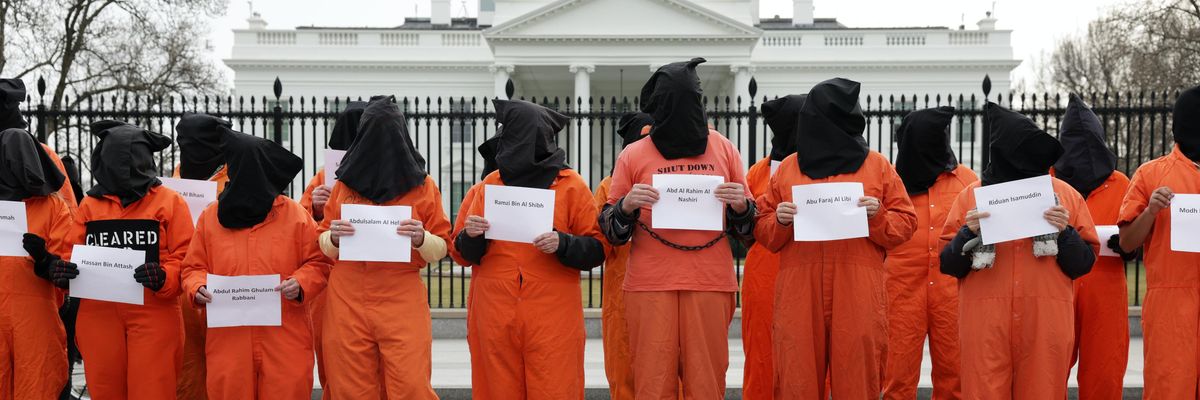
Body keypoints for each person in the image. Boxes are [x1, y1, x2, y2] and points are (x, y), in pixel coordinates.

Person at [599, 58, 754, 399]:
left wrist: (741, 206)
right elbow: (609, 227)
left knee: (707, 381)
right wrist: (626, 207)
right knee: (652, 383)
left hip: (710, 283)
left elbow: (750, 230)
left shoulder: (724, 148)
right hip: (650, 284)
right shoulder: (633, 154)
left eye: (693, 98)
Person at [752, 78, 916, 399]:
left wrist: (878, 215)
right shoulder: (787, 169)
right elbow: (762, 228)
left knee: (857, 379)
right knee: (797, 380)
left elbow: (906, 224)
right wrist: (780, 221)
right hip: (800, 293)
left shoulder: (877, 166)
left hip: (858, 292)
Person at [939, 102, 1098, 399]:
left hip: (1044, 326)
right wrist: (967, 233)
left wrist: (1065, 232)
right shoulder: (969, 198)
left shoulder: (1064, 196)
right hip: (985, 326)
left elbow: (1083, 264)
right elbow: (948, 264)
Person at [455, 98, 606, 399]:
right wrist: (472, 235)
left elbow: (598, 249)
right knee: (496, 389)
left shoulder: (571, 185)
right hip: (494, 311)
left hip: (553, 314)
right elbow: (460, 252)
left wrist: (563, 242)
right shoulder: (489, 184)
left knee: (554, 387)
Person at [181, 128, 331, 399]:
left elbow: (319, 262)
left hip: (285, 338)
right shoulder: (210, 217)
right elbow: (193, 268)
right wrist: (197, 287)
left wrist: (300, 283)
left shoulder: (295, 215)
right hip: (228, 341)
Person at [317, 96, 449, 399]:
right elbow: (322, 239)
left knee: (410, 384)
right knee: (350, 386)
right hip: (347, 296)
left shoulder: (423, 186)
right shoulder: (343, 185)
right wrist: (334, 238)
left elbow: (443, 245)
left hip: (401, 294)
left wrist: (421, 238)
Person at [58, 120, 193, 400]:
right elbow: (70, 252)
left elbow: (188, 259)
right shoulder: (91, 205)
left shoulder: (170, 202)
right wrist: (65, 271)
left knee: (153, 390)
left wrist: (164, 276)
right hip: (99, 316)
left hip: (154, 312)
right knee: (105, 390)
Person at [882, 106, 975, 400]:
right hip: (899, 292)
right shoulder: (890, 182)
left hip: (952, 294)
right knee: (895, 377)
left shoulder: (967, 181)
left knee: (955, 377)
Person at [1049, 94, 1133, 400]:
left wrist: (1127, 247)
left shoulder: (1121, 183)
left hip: (1107, 289)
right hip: (1059, 286)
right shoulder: (1048, 181)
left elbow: (1135, 231)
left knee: (1105, 374)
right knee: (1049, 372)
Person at [1118, 85, 1200, 399]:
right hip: (1169, 309)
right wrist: (1152, 210)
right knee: (1169, 388)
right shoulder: (1151, 174)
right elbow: (1126, 242)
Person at [296, 99, 373, 399]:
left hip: (375, 276)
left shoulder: (392, 176)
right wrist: (316, 208)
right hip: (331, 281)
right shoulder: (321, 179)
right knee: (334, 362)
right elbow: (301, 231)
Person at [0, 128, 74, 399]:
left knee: (36, 385)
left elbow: (67, 266)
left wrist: (45, 259)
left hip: (36, 316)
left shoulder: (53, 206)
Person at [739, 95, 802, 400]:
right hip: (764, 276)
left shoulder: (761, 171)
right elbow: (744, 231)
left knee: (804, 357)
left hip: (801, 274)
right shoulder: (758, 172)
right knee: (761, 353)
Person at [172, 112, 233, 400]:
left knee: (226, 373)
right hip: (178, 289)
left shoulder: (236, 181)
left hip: (223, 286)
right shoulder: (169, 184)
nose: (189, 150)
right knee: (187, 374)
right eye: (183, 143)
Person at [593, 112, 653, 400]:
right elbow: (598, 240)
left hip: (663, 289)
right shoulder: (608, 187)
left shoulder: (673, 179)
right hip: (622, 295)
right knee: (623, 371)